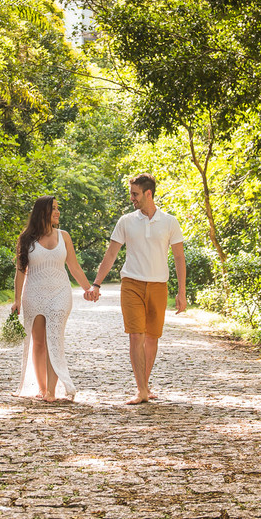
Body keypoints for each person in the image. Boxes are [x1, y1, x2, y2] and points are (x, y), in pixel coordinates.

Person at [88, 173, 186, 404]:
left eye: (135, 194)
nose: (132, 198)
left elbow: (179, 257)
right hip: (131, 283)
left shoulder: (170, 221)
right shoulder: (126, 221)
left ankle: (145, 383)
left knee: (152, 337)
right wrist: (96, 283)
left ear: (148, 193)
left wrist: (181, 292)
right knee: (136, 335)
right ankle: (141, 388)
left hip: (158, 285)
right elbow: (111, 253)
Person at [11, 195, 96, 402]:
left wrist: (89, 288)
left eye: (58, 208)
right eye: (54, 209)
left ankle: (51, 390)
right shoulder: (26, 239)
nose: (58, 212)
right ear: (43, 212)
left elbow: (73, 266)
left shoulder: (64, 236)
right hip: (34, 294)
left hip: (60, 293)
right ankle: (41, 387)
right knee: (39, 342)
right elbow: (20, 271)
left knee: (54, 339)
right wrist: (17, 300)